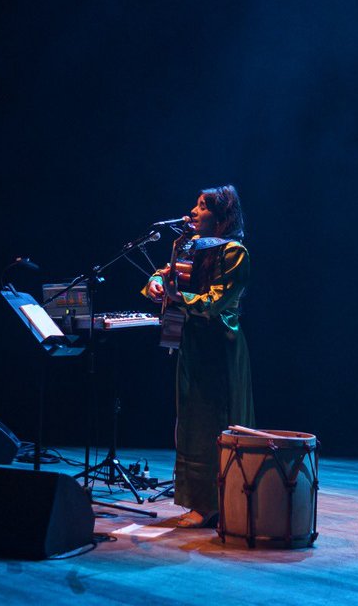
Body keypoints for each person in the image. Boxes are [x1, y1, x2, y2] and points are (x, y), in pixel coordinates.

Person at [143, 184, 255, 528]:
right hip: (191, 343)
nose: (193, 211)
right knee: (190, 422)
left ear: (221, 217)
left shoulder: (234, 252)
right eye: (195, 204)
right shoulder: (190, 247)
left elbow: (216, 301)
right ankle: (198, 502)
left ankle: (219, 503)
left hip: (219, 345)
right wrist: (156, 284)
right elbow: (162, 275)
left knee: (216, 420)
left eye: (203, 206)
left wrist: (180, 299)